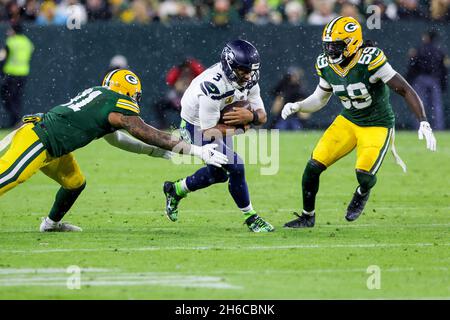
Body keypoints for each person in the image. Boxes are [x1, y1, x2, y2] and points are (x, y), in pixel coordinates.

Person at [0, 69, 228, 232]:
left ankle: (51, 224)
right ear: (128, 92)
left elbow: (116, 139)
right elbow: (145, 132)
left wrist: (153, 152)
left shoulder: (101, 98)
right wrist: (196, 151)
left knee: (74, 182)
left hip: (53, 147)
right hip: (40, 139)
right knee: (9, 176)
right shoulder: (118, 102)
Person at [281, 16, 437, 228]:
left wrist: (423, 121)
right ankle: (307, 216)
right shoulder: (325, 64)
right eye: (327, 46)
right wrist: (298, 106)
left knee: (364, 175)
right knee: (312, 166)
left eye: (336, 46)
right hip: (349, 120)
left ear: (352, 43)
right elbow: (319, 98)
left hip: (377, 124)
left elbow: (404, 89)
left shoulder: (370, 59)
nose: (330, 51)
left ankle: (362, 192)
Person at [162, 39, 274, 232]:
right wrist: (243, 127)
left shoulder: (250, 77)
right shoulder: (212, 86)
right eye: (242, 70)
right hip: (194, 126)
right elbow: (208, 131)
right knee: (236, 166)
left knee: (219, 175)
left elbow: (262, 116)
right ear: (229, 65)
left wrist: (252, 116)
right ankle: (251, 218)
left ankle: (176, 189)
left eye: (250, 70)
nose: (248, 76)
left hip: (216, 122)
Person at [406, 30, 448, 130]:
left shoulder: (419, 49)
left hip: (421, 79)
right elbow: (444, 70)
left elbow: (413, 66)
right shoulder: (440, 51)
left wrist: (408, 79)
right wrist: (443, 84)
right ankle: (438, 128)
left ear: (428, 37)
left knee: (419, 104)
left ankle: (419, 127)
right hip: (434, 80)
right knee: (436, 106)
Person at [0, 23, 34, 128]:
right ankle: (16, 120)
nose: (8, 32)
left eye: (10, 30)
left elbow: (3, 57)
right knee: (17, 97)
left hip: (11, 73)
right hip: (23, 73)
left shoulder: (11, 41)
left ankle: (16, 118)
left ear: (14, 31)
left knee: (7, 96)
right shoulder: (27, 42)